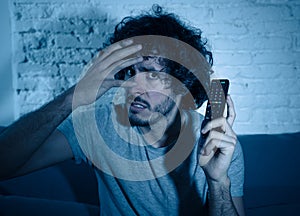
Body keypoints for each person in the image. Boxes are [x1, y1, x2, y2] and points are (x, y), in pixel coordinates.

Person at [0, 5, 245, 216]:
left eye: (150, 74)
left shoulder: (215, 144)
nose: (133, 85)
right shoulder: (98, 126)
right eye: (129, 72)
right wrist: (71, 98)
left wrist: (218, 183)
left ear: (183, 84)